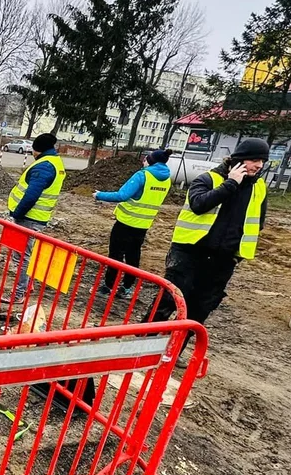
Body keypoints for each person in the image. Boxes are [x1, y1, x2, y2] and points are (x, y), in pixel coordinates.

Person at [154, 137, 270, 365]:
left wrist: (235, 255)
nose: (259, 165)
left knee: (200, 308)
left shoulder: (259, 188)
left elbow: (258, 222)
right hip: (190, 253)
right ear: (238, 159)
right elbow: (198, 205)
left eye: (263, 161)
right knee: (171, 300)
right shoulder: (209, 179)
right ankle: (140, 342)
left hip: (223, 260)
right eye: (254, 159)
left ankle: (174, 352)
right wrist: (231, 185)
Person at [92, 148, 174, 293]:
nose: (143, 161)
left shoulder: (142, 175)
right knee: (133, 255)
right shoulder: (166, 179)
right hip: (143, 224)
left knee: (115, 255)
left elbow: (122, 195)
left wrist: (99, 195)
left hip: (125, 222)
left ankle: (108, 286)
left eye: (145, 159)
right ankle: (127, 287)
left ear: (150, 160)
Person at [2, 133, 67, 303]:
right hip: (36, 218)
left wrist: (16, 215)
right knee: (25, 256)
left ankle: (18, 293)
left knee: (22, 257)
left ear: (38, 150)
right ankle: (26, 286)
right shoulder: (54, 162)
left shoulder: (44, 166)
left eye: (33, 149)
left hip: (29, 218)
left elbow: (31, 196)